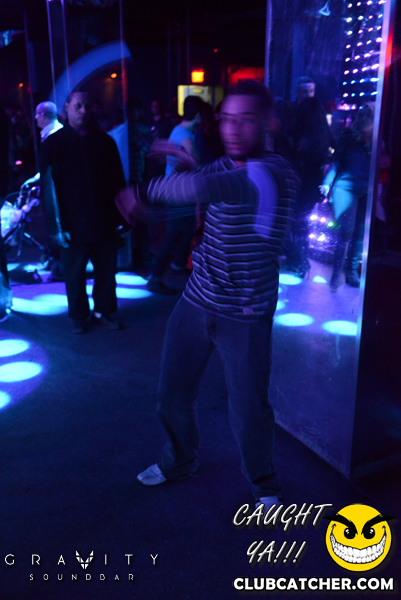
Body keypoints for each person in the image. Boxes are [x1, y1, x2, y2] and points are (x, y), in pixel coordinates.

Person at [116, 80, 299, 509]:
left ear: (268, 123)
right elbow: (204, 180)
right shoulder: (225, 165)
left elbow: (203, 189)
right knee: (172, 394)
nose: (233, 128)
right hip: (197, 300)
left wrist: (143, 192)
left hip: (244, 313)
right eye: (227, 119)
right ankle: (180, 459)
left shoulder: (271, 173)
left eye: (245, 119)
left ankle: (264, 484)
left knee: (249, 409)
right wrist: (188, 166)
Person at [40, 90, 126, 333]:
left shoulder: (104, 142)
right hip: (73, 221)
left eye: (87, 106)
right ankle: (80, 316)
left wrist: (122, 216)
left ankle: (102, 311)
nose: (83, 111)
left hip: (104, 218)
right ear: (66, 108)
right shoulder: (53, 145)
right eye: (78, 106)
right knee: (74, 272)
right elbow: (49, 187)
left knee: (106, 271)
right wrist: (57, 227)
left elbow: (117, 181)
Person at [146, 95, 203, 294]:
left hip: (179, 192)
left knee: (187, 229)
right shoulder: (186, 136)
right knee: (173, 235)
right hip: (178, 193)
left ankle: (179, 265)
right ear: (198, 115)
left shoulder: (178, 130)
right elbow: (196, 162)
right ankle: (155, 277)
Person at [321, 104, 375, 292]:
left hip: (367, 190)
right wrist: (327, 183)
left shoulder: (377, 140)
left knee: (360, 234)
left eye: (369, 114)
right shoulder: (349, 137)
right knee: (345, 232)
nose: (364, 117)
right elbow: (335, 162)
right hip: (345, 188)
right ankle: (336, 274)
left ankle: (351, 271)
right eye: (362, 114)